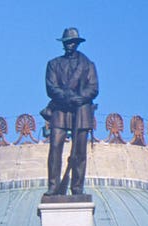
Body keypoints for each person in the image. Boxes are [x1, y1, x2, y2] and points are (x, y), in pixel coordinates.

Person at [43, 27, 99, 196]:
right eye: (67, 42)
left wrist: (80, 98)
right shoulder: (53, 64)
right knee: (55, 148)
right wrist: (68, 98)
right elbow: (51, 88)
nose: (70, 45)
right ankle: (53, 185)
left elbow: (93, 88)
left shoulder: (87, 65)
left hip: (81, 111)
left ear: (78, 44)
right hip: (60, 109)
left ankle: (77, 187)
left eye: (73, 42)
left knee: (80, 151)